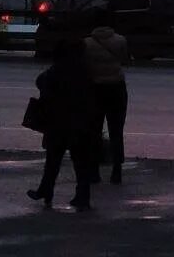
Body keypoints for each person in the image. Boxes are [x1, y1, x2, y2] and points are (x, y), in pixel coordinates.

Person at [28, 39, 97, 211]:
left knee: (53, 160)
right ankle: (83, 196)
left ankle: (46, 190)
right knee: (80, 162)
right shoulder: (85, 70)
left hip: (57, 121)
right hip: (80, 122)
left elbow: (41, 82)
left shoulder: (56, 71)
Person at [84, 17, 130, 184]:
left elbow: (85, 65)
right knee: (116, 131)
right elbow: (124, 60)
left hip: (96, 88)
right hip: (117, 87)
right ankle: (117, 170)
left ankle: (94, 171)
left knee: (94, 130)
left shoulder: (87, 43)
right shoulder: (120, 40)